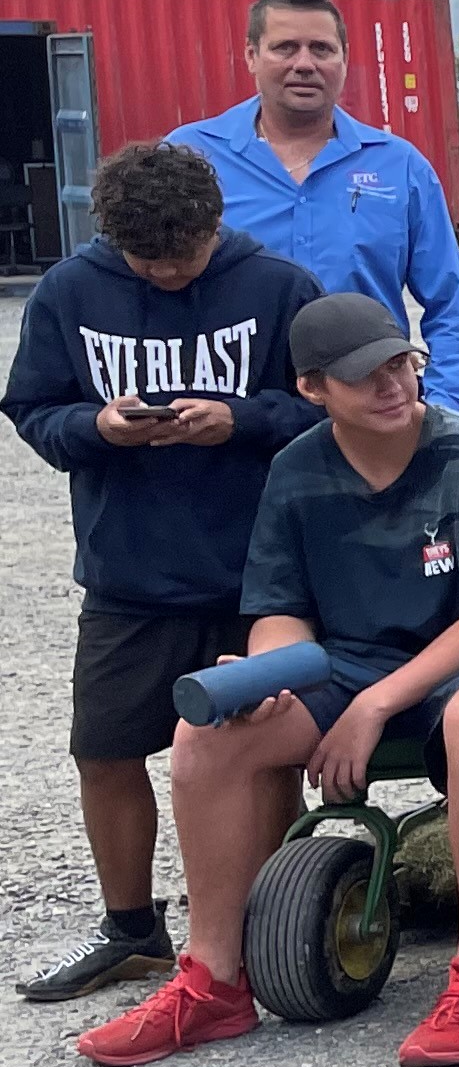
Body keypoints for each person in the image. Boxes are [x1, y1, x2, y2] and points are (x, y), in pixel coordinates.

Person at [83, 296, 459, 1067]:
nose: (393, 386)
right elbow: (280, 610)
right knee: (205, 734)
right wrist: (271, 676)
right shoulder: (295, 470)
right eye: (365, 376)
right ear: (313, 389)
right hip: (350, 659)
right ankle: (214, 981)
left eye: (400, 365)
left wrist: (377, 704)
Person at [3, 143, 322, 1004]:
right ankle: (131, 930)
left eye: (188, 257)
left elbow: (327, 407)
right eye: (151, 265)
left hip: (258, 575)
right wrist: (97, 428)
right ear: (115, 241)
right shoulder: (70, 292)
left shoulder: (278, 287)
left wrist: (241, 420)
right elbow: (32, 408)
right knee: (104, 750)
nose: (173, 275)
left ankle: (267, 925)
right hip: (130, 574)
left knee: (261, 754)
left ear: (216, 225)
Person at [172, 0, 459, 412]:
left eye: (321, 49)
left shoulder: (400, 167)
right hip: (228, 420)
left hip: (362, 416)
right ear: (251, 56)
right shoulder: (190, 157)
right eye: (285, 48)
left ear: (344, 58)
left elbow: (454, 314)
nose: (304, 64)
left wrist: (439, 413)